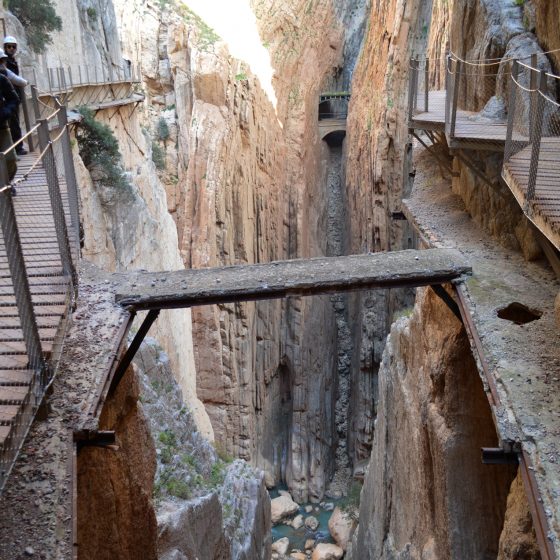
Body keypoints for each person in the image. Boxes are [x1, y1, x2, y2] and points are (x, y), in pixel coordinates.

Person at [2, 36, 27, 156]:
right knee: (13, 124)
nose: (11, 48)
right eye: (9, 46)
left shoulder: (11, 61)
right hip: (8, 98)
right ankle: (17, 148)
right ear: (5, 48)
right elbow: (17, 80)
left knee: (14, 123)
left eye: (13, 46)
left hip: (12, 97)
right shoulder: (6, 65)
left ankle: (16, 148)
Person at [0, 71, 20, 182]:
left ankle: (7, 183)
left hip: (2, 126)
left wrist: (6, 112)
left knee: (10, 159)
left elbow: (14, 99)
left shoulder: (1, 79)